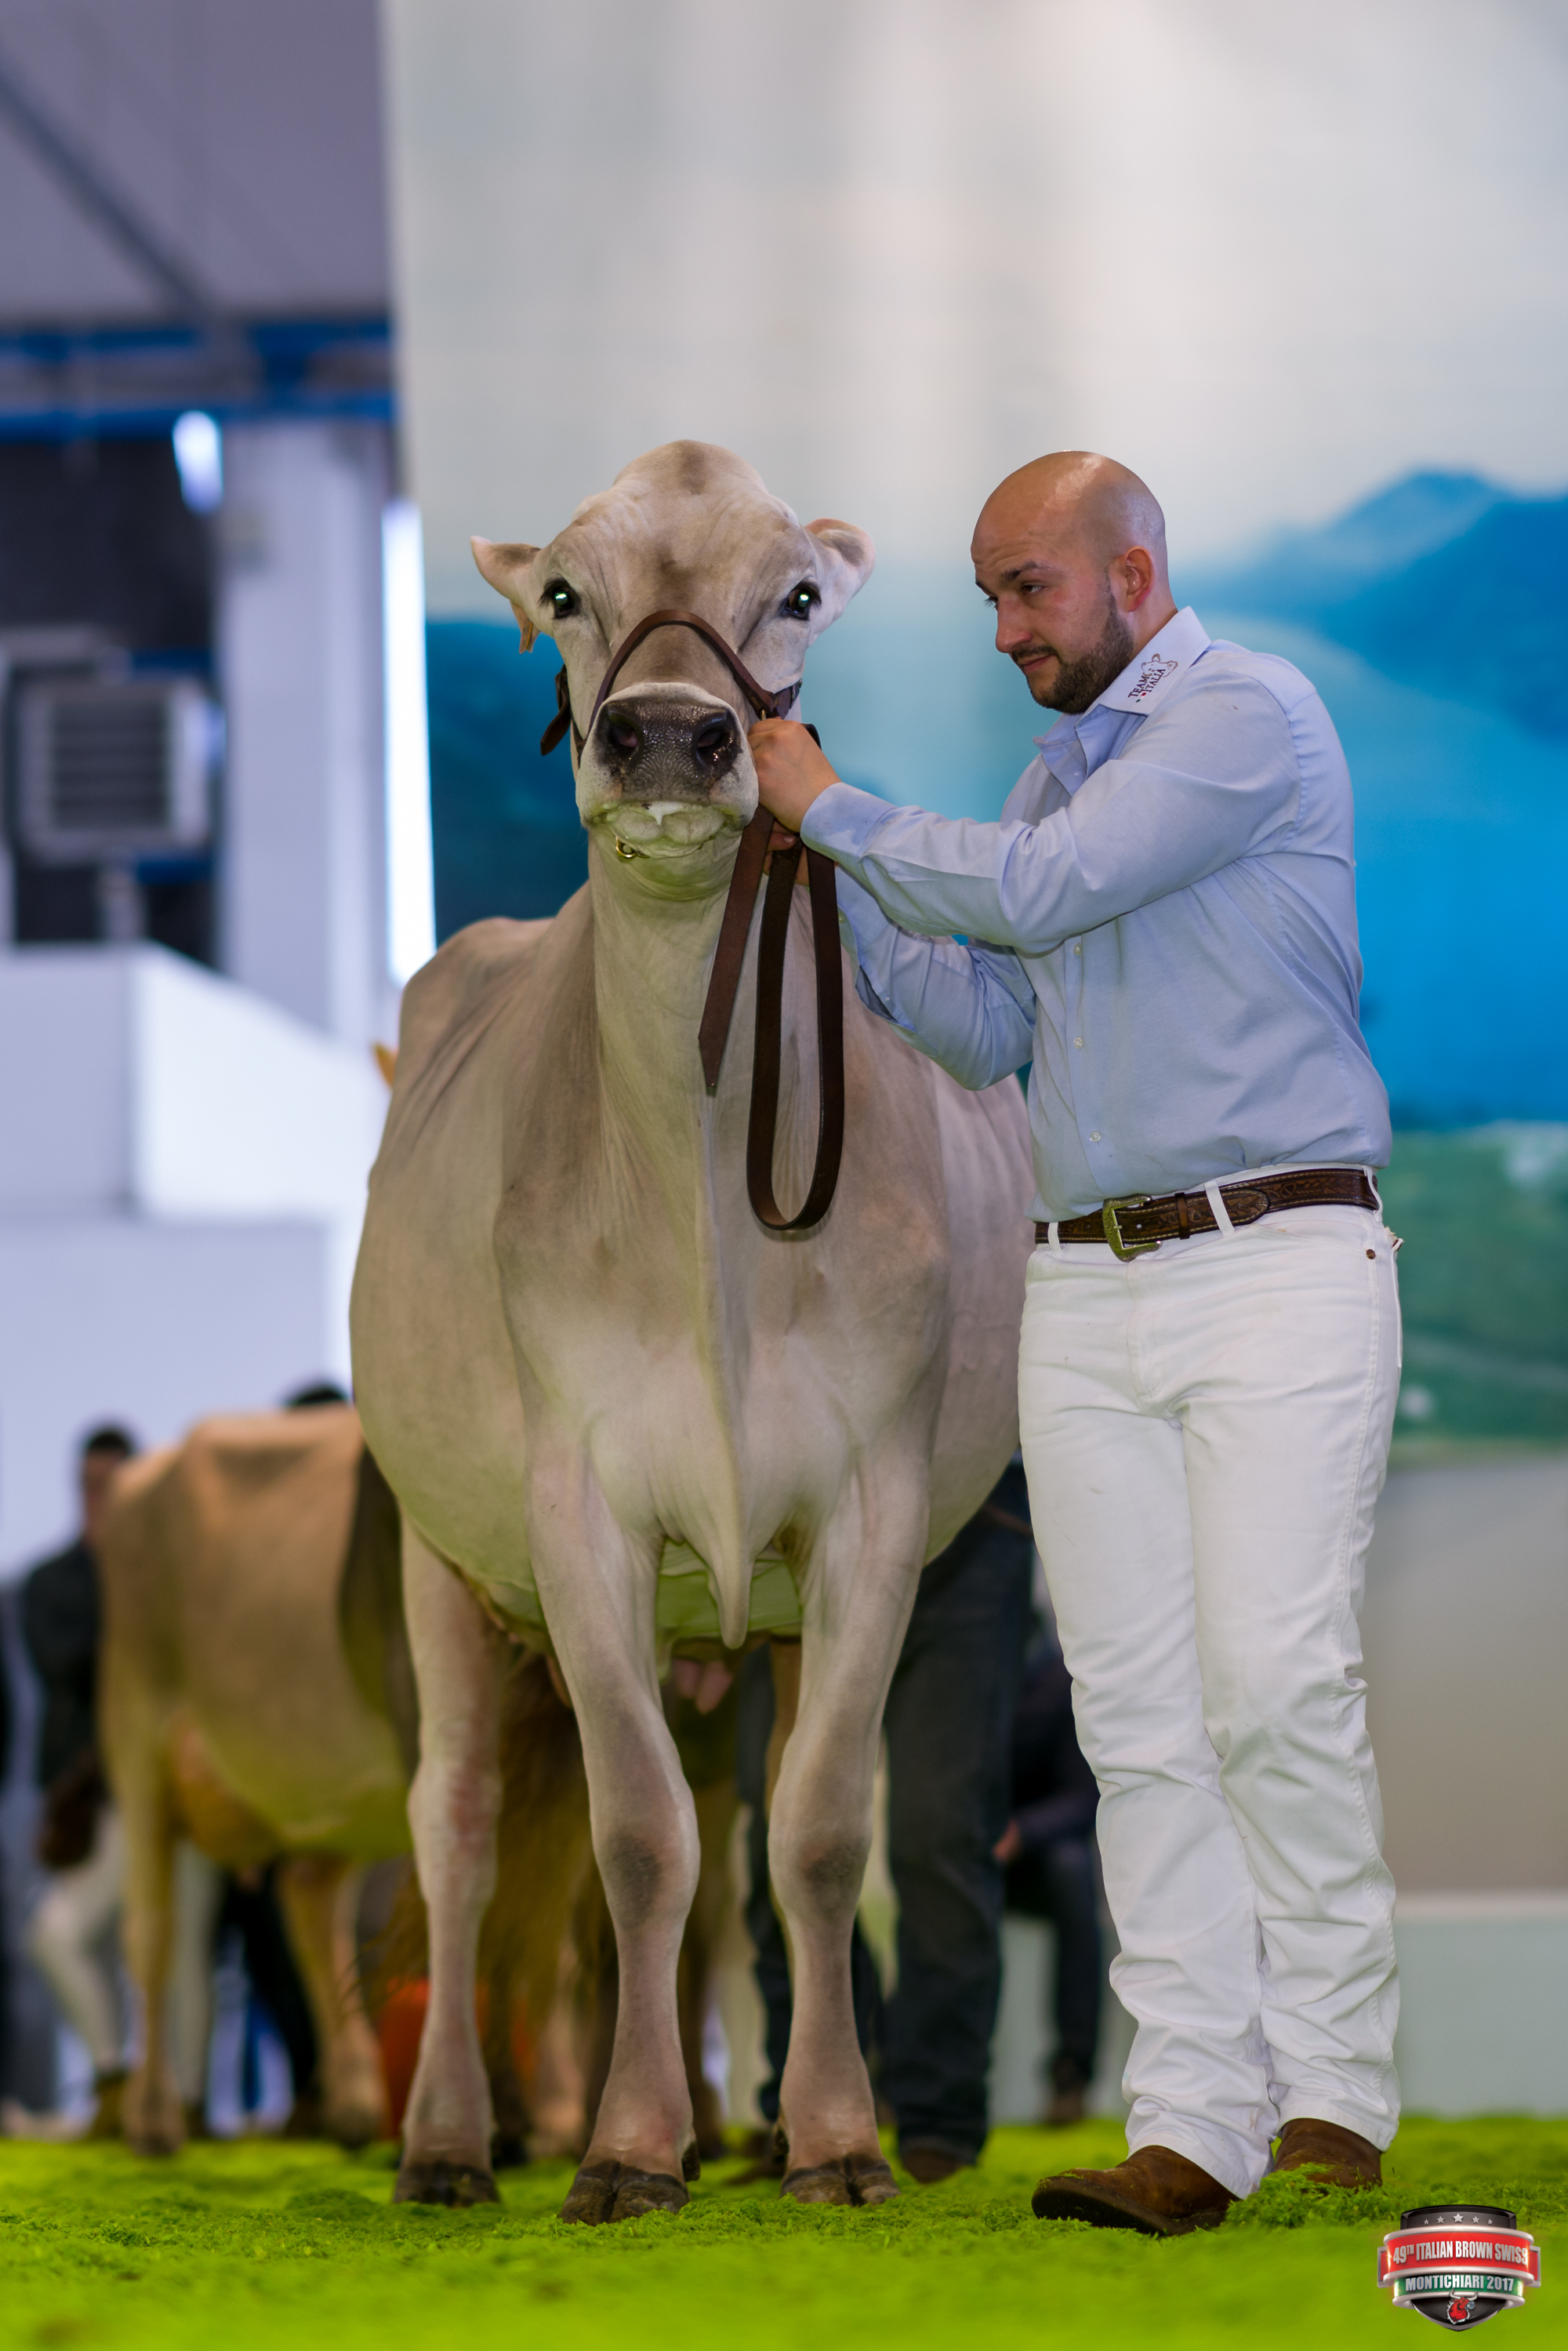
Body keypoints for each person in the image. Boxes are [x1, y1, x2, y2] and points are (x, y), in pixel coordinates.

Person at [750, 451, 1402, 2233]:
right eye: (986, 596)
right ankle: (1192, 2120)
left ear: (1130, 575)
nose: (1001, 630)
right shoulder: (1055, 779)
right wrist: (837, 887)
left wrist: (834, 811)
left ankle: (1333, 2096)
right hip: (1084, 1283)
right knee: (1134, 1719)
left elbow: (1039, 893)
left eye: (1024, 589)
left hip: (1278, 1256)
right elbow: (980, 1026)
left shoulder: (1246, 714)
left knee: (1273, 1684)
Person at [739, 1463, 1034, 2182]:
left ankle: (938, 2117)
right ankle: (801, 2101)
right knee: (776, 1830)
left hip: (971, 1520)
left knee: (942, 1832)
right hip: (806, 1521)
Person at [20, 1426, 218, 2134]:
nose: (99, 1499)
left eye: (113, 1486)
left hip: (180, 1793)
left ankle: (186, 2100)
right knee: (62, 1936)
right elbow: (68, 1666)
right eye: (91, 1486)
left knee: (185, 1946)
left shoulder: (177, 1580)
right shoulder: (55, 1583)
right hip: (103, 1799)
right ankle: (113, 2080)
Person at [996, 1625, 1102, 2126]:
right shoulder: (949, 1667)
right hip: (964, 1846)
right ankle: (903, 2078)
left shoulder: (1061, 1676)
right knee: (929, 1877)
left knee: (1073, 1869)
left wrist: (1020, 1833)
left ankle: (1071, 2079)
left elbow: (1083, 1798)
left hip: (1036, 1853)